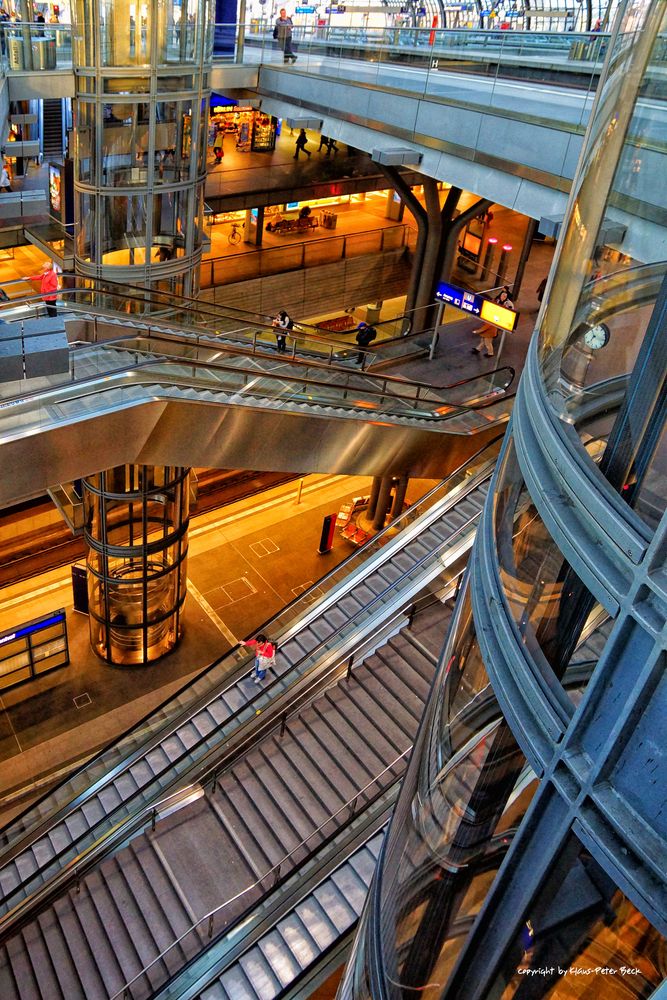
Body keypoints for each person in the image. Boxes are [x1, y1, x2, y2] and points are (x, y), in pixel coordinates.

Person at [472, 285, 514, 358]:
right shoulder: (497, 300)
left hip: (491, 330)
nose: (502, 297)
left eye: (504, 296)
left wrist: (476, 331)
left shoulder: (508, 304)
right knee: (484, 341)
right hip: (491, 328)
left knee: (487, 343)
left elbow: (485, 327)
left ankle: (490, 353)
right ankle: (477, 349)